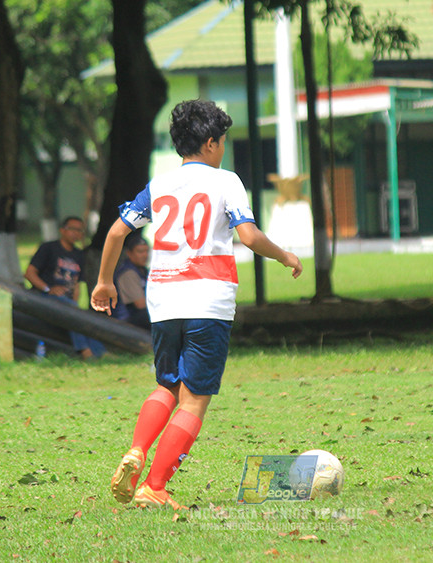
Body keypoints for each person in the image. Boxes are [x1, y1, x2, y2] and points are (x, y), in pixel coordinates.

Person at [91, 99, 302, 510]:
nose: (223, 149)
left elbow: (116, 234)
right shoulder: (227, 182)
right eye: (222, 142)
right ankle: (155, 486)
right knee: (194, 400)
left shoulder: (159, 184)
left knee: (166, 384)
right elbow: (249, 237)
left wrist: (103, 283)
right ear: (210, 143)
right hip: (208, 299)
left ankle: (136, 449)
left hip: (164, 298)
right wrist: (285, 256)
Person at [25, 216, 106, 359]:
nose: (76, 233)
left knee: (81, 315)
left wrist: (75, 303)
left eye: (80, 230)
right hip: (45, 298)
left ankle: (100, 353)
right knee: (72, 313)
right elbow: (29, 273)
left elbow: (76, 285)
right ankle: (86, 351)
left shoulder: (79, 255)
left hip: (67, 302)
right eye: (72, 229)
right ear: (62, 230)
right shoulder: (48, 248)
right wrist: (48, 289)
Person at [111, 233, 151, 330]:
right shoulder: (128, 272)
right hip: (124, 321)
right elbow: (140, 304)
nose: (145, 255)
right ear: (129, 253)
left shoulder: (144, 271)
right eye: (140, 252)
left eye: (147, 251)